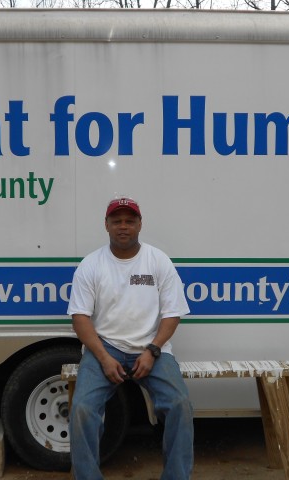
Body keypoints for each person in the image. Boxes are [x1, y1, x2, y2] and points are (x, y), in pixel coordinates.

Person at [67, 196, 194, 480]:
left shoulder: (157, 260)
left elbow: (173, 314)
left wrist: (152, 350)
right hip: (105, 349)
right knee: (82, 410)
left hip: (152, 349)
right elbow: (80, 319)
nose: (123, 226)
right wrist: (103, 357)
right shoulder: (91, 264)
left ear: (139, 224)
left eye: (129, 221)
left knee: (180, 405)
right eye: (117, 221)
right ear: (107, 225)